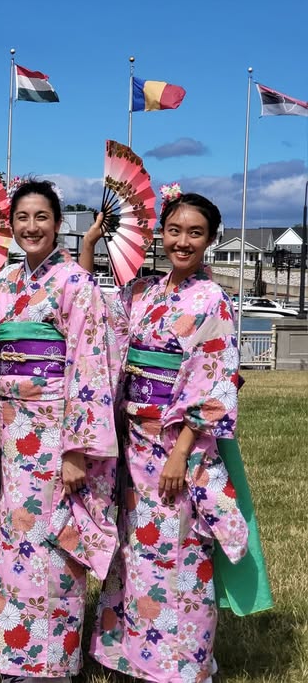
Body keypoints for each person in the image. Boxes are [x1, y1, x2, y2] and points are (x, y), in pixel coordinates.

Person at [80, 192, 268, 682]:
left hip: (174, 444)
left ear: (210, 239)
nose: (183, 242)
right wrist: (88, 249)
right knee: (134, 549)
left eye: (196, 233)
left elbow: (212, 381)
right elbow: (99, 323)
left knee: (178, 550)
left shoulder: (212, 301)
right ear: (161, 233)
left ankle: (183, 661)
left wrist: (181, 452)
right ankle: (132, 654)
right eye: (175, 231)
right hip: (133, 440)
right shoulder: (143, 291)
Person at [0, 180, 119, 682]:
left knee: (56, 542)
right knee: (18, 542)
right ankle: (19, 655)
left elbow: (91, 365)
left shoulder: (76, 284)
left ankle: (53, 662)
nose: (31, 227)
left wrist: (78, 450)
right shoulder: (6, 281)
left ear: (59, 223)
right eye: (23, 218)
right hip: (13, 427)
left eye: (42, 217)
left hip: (57, 427)